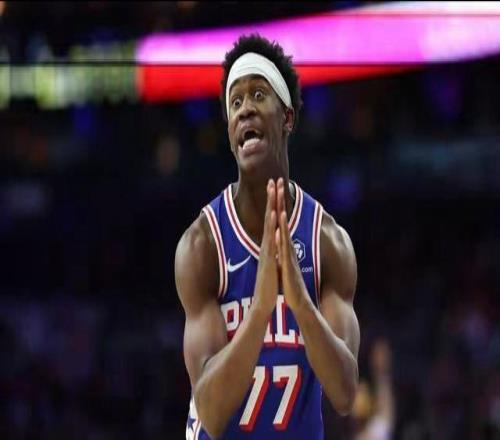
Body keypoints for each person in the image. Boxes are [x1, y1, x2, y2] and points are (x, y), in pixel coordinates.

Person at [175, 34, 360, 439]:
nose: (245, 109)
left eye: (258, 95)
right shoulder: (202, 244)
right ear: (230, 133)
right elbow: (210, 410)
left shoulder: (327, 242)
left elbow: (345, 393)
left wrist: (300, 303)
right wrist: (260, 310)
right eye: (235, 103)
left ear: (287, 117)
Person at [352, 339, 395, 440]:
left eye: (383, 355)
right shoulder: (362, 388)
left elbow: (385, 424)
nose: (380, 359)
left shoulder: (388, 388)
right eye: (378, 354)